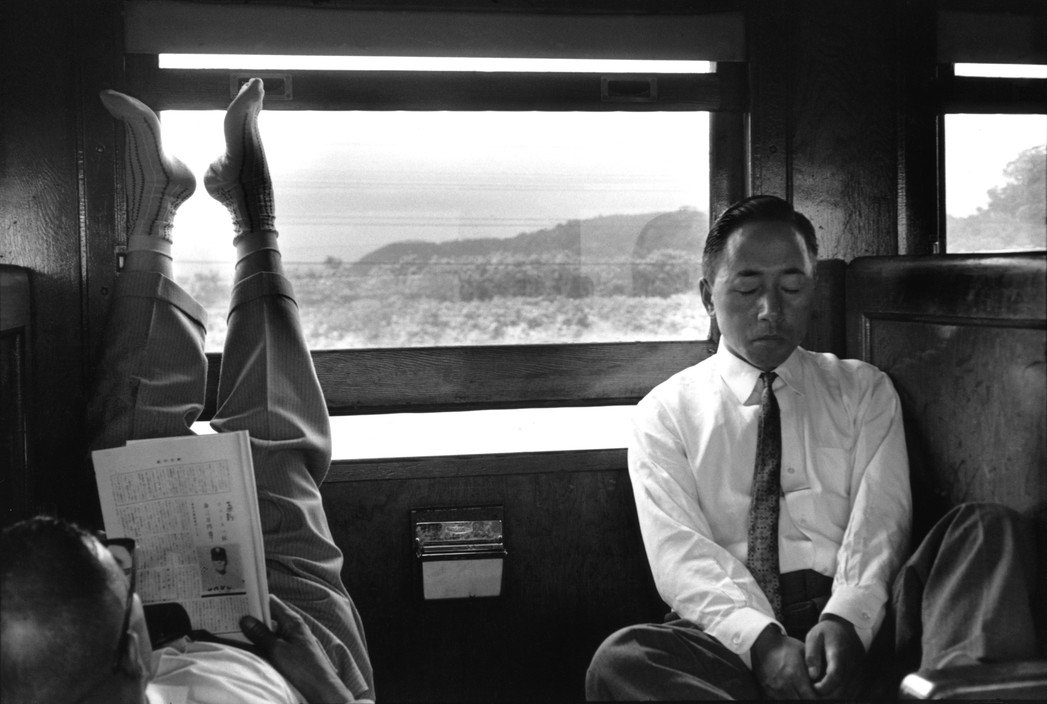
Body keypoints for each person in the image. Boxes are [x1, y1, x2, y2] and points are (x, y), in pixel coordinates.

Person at [1, 79, 374, 704]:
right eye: (126, 576)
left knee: (128, 449)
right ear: (131, 651)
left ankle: (158, 220)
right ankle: (254, 219)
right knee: (279, 459)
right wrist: (330, 691)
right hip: (286, 653)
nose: (127, 564)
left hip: (153, 647)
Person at [585, 195, 1040, 700]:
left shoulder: (862, 388)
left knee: (983, 529)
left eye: (792, 286)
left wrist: (847, 619)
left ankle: (944, 690)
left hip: (866, 622)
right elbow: (681, 559)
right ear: (707, 297)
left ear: (813, 290)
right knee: (623, 659)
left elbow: (881, 520)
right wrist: (761, 642)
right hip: (732, 641)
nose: (771, 310)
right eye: (748, 286)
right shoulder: (665, 413)